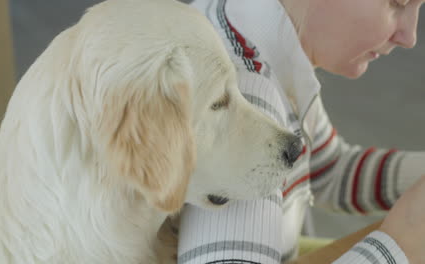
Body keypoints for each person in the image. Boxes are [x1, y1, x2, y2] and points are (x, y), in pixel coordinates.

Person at [176, 0, 425, 263]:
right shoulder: (247, 92)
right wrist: (399, 247)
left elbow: (329, 172)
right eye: (398, 3)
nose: (409, 36)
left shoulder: (258, 45)